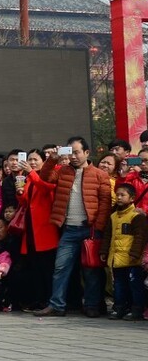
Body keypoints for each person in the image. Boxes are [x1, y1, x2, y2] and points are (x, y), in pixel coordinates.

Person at [34, 137, 112, 318]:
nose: (74, 157)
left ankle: (92, 305)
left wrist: (98, 228)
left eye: (77, 152)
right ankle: (57, 305)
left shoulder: (100, 175)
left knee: (91, 270)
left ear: (86, 152)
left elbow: (105, 204)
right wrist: (52, 159)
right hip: (69, 229)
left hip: (90, 229)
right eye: (71, 153)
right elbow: (45, 176)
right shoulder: (63, 171)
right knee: (61, 268)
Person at [101, 183, 146, 320]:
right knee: (119, 284)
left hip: (132, 259)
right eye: (117, 195)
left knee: (135, 284)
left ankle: (136, 309)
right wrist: (104, 251)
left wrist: (134, 254)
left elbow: (140, 237)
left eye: (123, 195)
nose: (119, 197)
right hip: (116, 257)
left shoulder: (137, 216)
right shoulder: (113, 216)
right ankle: (119, 307)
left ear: (132, 198)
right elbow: (107, 235)